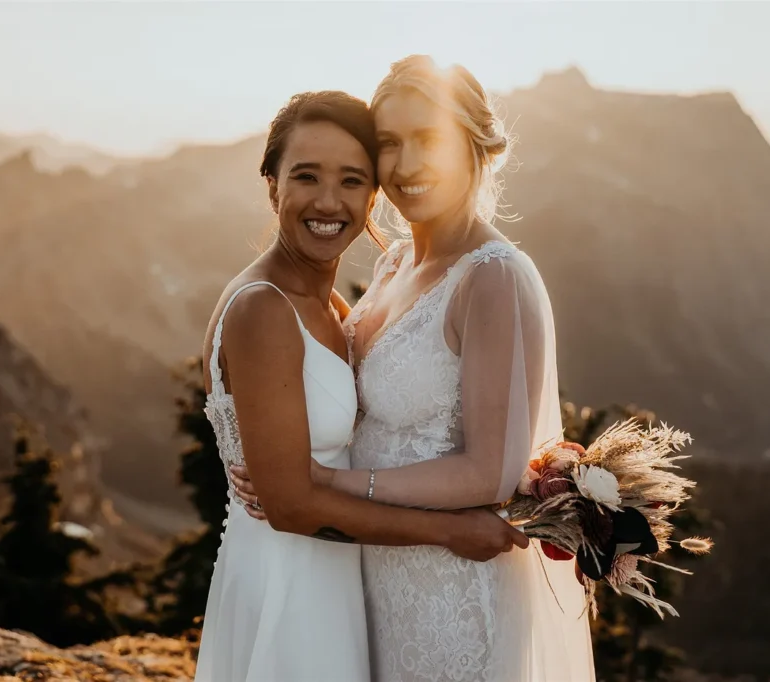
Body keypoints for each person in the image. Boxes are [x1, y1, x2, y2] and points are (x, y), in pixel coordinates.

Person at [232, 57, 596, 681]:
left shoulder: (494, 277)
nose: (403, 166)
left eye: (428, 139)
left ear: (477, 147)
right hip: (375, 576)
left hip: (453, 596)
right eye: (389, 144)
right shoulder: (393, 265)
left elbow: (490, 472)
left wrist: (323, 482)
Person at [194, 89, 527, 682]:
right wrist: (452, 531)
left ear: (373, 193)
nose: (329, 201)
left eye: (351, 180)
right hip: (290, 584)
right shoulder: (263, 308)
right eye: (306, 177)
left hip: (337, 577)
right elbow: (291, 506)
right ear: (271, 183)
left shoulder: (336, 308)